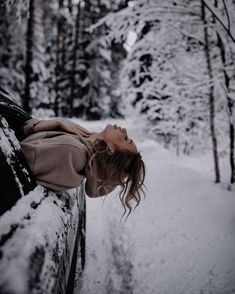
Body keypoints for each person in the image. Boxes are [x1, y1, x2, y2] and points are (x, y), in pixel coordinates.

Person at [19, 118, 146, 220]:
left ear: (111, 151)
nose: (124, 130)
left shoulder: (72, 152)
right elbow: (21, 128)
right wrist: (58, 123)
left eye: (126, 139)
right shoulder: (80, 141)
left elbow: (14, 158)